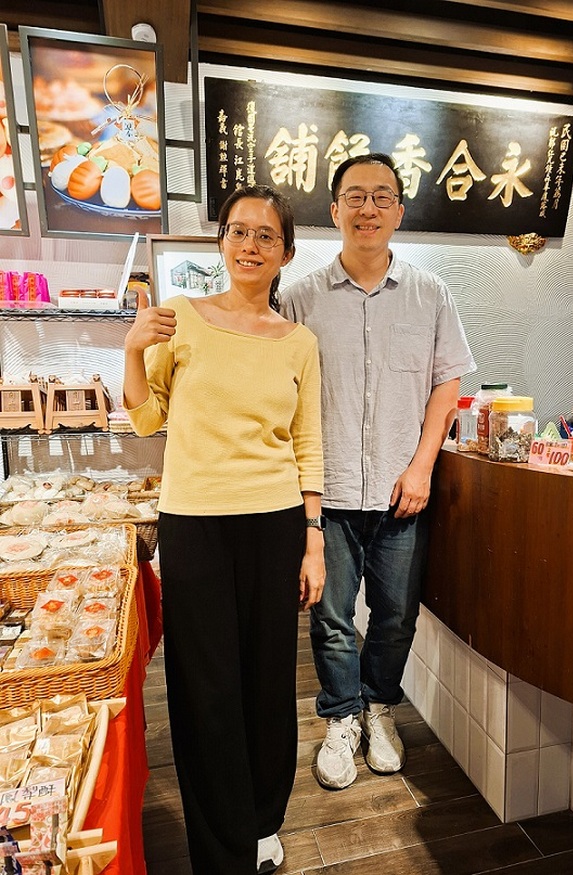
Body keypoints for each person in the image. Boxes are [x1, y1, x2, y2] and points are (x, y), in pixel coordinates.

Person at [123, 184, 325, 874]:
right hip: (196, 525)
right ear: (221, 243)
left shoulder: (299, 341)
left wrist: (313, 537)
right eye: (238, 232)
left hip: (273, 524)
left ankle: (263, 820)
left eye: (265, 236)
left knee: (269, 681)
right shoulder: (180, 318)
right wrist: (130, 350)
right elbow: (148, 419)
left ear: (285, 254)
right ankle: (221, 844)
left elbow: (308, 443)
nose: (250, 245)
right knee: (204, 685)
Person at [281, 153, 475, 790]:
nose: (368, 208)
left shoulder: (430, 294)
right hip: (329, 491)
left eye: (382, 197)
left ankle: (379, 710)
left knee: (395, 614)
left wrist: (422, 466)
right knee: (332, 616)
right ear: (334, 209)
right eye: (355, 196)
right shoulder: (300, 297)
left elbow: (446, 385)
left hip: (402, 491)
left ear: (399, 210)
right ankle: (340, 718)